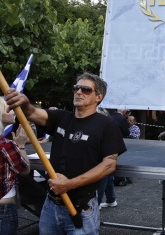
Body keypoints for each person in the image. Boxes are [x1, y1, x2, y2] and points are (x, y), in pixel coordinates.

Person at [6, 72, 127, 234]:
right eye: (76, 88)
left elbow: (109, 165)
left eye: (85, 89)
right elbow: (32, 113)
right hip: (51, 206)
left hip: (81, 208)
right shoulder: (62, 117)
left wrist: (70, 184)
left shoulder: (106, 124)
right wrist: (25, 103)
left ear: (98, 96)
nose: (78, 92)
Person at [0, 98, 30, 234]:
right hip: (4, 206)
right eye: (8, 108)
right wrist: (21, 145)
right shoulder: (5, 144)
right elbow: (24, 170)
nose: (13, 111)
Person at [96, 108, 118, 211]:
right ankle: (111, 199)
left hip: (105, 158)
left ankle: (97, 203)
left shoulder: (107, 126)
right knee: (108, 179)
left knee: (103, 179)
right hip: (107, 157)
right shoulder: (106, 125)